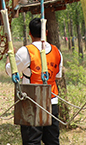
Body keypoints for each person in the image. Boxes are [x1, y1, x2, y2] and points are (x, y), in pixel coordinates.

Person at [6, 17, 62, 145]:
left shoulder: (26, 51)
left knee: (32, 141)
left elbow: (10, 71)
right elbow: (57, 76)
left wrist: (9, 57)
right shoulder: (56, 52)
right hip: (51, 102)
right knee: (53, 141)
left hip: (31, 103)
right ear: (46, 32)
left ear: (29, 33)